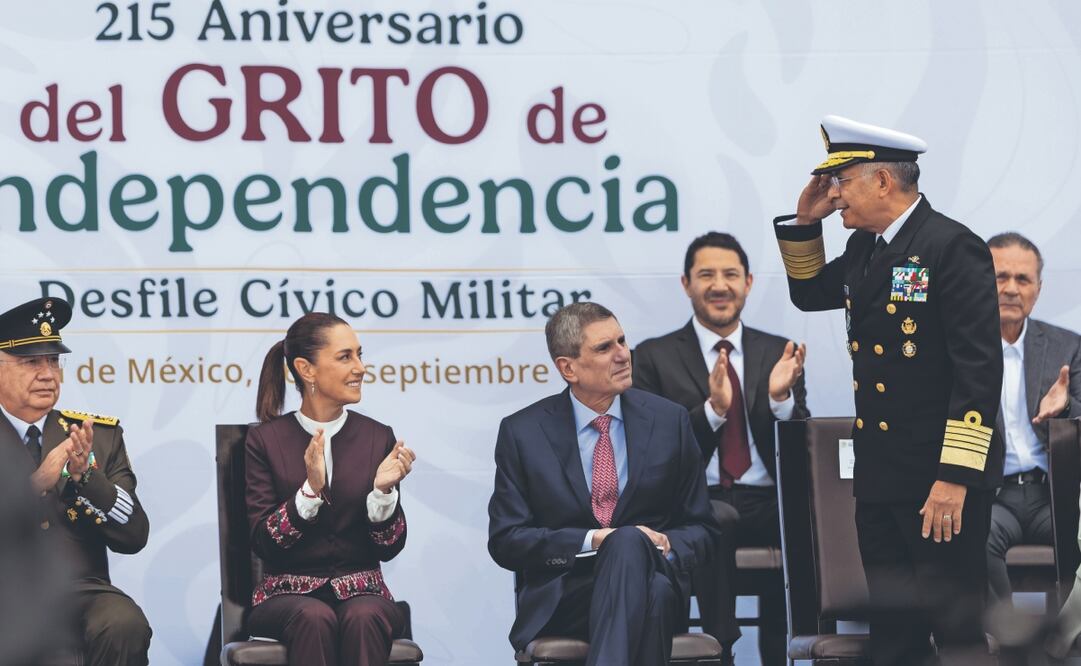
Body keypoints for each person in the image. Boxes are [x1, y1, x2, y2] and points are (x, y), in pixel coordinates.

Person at [772, 115, 1002, 665]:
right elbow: (808, 295)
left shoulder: (951, 246)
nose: (834, 195)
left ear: (882, 182)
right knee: (894, 637)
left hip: (939, 482)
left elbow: (978, 371)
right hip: (880, 476)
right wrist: (806, 222)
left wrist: (955, 478)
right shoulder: (864, 249)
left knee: (957, 630)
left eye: (841, 182)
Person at [488, 301, 718, 666]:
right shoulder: (523, 433)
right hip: (567, 595)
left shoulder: (669, 421)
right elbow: (506, 540)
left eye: (623, 341)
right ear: (568, 368)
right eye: (604, 348)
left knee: (642, 562)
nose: (623, 355)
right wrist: (594, 540)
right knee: (647, 582)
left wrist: (667, 541)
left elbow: (703, 528)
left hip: (654, 576)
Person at [634, 231, 809, 665]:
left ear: (748, 282)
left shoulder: (778, 351)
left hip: (769, 502)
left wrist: (780, 400)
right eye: (706, 274)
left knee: (811, 520)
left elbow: (802, 443)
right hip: (695, 502)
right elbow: (652, 451)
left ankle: (798, 651)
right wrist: (712, 410)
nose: (719, 285)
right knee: (717, 518)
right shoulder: (652, 357)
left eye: (730, 274)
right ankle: (719, 651)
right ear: (686, 283)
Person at [246, 312, 416, 666]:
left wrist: (384, 494)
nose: (360, 368)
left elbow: (390, 547)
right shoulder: (264, 440)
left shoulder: (377, 436)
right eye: (345, 357)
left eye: (359, 354)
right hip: (286, 595)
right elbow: (264, 542)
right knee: (314, 617)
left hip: (365, 591)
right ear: (306, 369)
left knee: (365, 615)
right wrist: (310, 489)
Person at [0, 296, 151, 665]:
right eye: (31, 362)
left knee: (123, 621)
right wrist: (36, 483)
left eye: (53, 361)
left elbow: (135, 535)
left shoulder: (97, 436)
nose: (48, 374)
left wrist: (88, 479)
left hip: (80, 591)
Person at [983, 232, 1081, 603]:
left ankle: (1060, 642)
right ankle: (1004, 640)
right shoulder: (959, 348)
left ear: (1037, 289)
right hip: (991, 495)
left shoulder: (1066, 347)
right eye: (999, 277)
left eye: (1022, 279)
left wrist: (1067, 407)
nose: (1010, 289)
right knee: (972, 535)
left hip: (1052, 494)